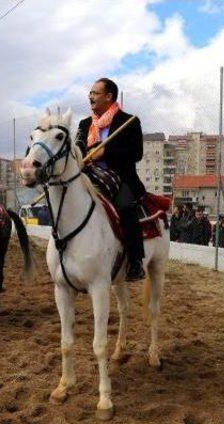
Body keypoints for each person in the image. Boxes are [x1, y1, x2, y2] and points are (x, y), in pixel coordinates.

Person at [75, 78, 146, 281]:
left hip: (119, 178)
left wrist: (105, 152)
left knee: (125, 207)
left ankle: (135, 261)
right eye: (90, 93)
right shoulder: (85, 124)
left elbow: (136, 153)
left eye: (95, 93)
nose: (90, 97)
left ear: (109, 96)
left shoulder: (128, 121)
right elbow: (79, 147)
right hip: (90, 176)